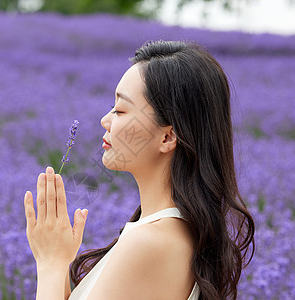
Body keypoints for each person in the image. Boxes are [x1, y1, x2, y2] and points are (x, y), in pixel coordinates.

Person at [24, 40, 255, 300]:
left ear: (167, 137)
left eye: (121, 110)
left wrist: (50, 264)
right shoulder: (171, 233)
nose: (105, 120)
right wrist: (60, 258)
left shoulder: (150, 243)